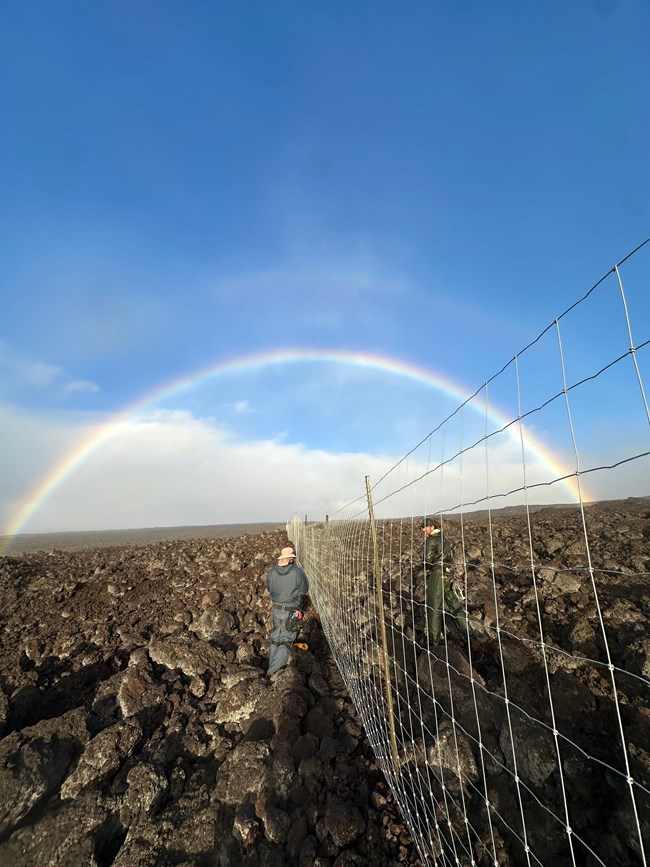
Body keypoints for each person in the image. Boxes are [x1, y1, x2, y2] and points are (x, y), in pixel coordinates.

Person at [421, 517, 468, 645]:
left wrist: (423, 568)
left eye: (425, 527)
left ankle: (434, 642)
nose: (424, 530)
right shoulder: (445, 539)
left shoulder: (431, 541)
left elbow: (427, 560)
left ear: (432, 527)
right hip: (449, 574)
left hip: (437, 575)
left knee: (434, 607)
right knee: (455, 605)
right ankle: (470, 636)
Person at [266, 545, 309, 676]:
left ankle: (271, 666)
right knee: (286, 641)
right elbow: (304, 589)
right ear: (291, 559)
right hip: (291, 611)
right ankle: (272, 673)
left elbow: (269, 588)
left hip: (276, 610)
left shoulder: (272, 571)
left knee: (275, 640)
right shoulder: (297, 572)